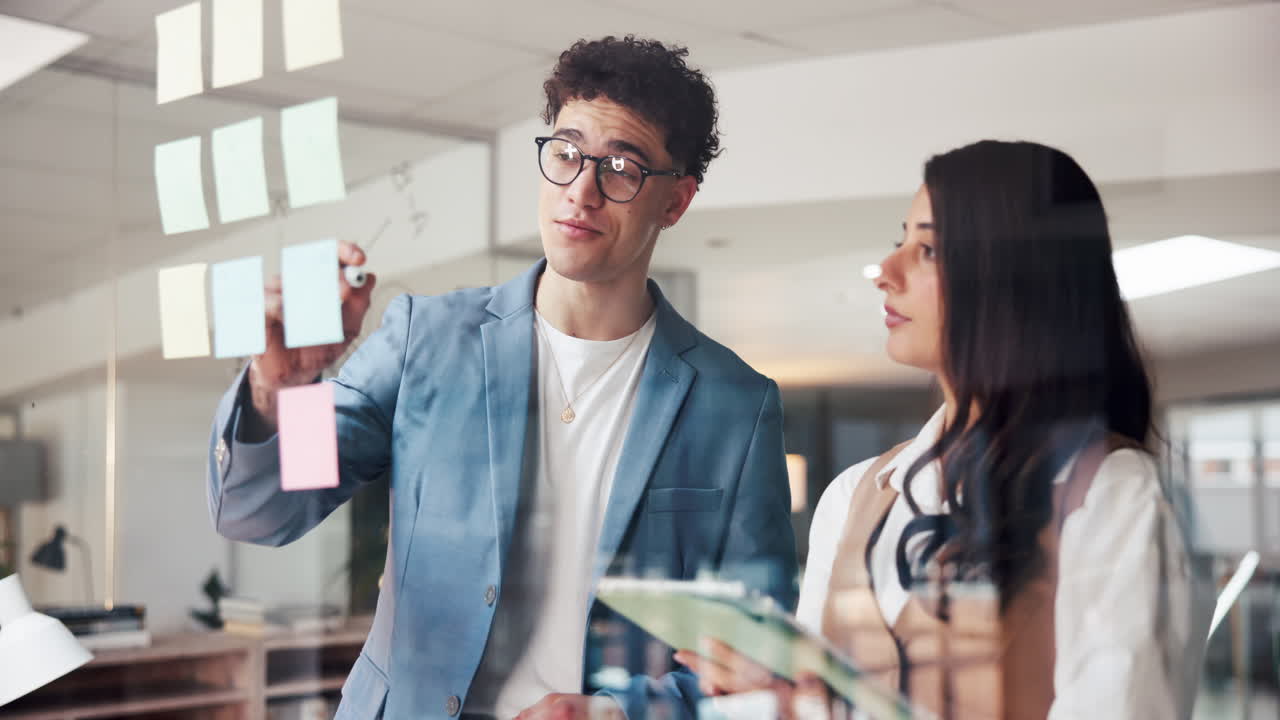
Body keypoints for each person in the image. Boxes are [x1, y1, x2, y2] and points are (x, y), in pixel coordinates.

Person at [206, 36, 797, 720]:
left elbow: (756, 663)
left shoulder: (736, 405)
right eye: (568, 154)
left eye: (621, 168)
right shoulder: (424, 339)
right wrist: (284, 392)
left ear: (675, 201)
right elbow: (263, 512)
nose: (582, 190)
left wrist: (613, 712)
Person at [677, 140, 1213, 719]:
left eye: (928, 249)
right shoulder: (857, 494)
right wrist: (779, 704)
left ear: (1014, 277)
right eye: (899, 242)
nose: (885, 272)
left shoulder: (1109, 493)